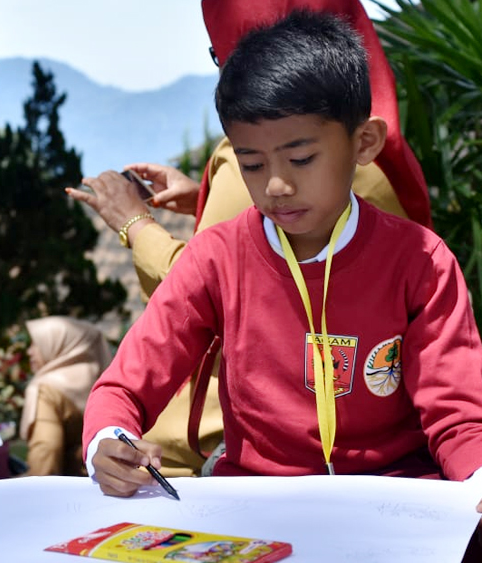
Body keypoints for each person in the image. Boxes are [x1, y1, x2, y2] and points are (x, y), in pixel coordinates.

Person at [82, 11, 482, 562]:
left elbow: (457, 416)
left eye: (302, 158)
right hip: (258, 496)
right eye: (252, 164)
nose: (277, 186)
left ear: (364, 142)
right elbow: (124, 387)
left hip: (397, 489)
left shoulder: (420, 260)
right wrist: (110, 438)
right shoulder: (216, 258)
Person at [66, 0, 433, 478]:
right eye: (252, 167)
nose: (275, 185)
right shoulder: (330, 142)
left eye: (223, 56)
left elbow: (220, 280)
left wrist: (133, 223)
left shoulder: (270, 145)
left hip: (241, 450)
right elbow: (152, 354)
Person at [21, 316, 112, 476]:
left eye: (36, 344)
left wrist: (30, 495)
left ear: (57, 344)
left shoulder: (47, 388)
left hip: (67, 491)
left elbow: (46, 451)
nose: (30, 352)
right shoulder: (107, 379)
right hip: (110, 485)